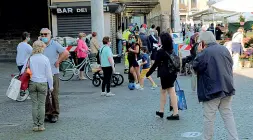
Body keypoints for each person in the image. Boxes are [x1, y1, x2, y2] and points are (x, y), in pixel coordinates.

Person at [193, 31, 239, 140]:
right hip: (227, 87)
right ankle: (234, 138)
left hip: (211, 90)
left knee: (209, 118)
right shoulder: (224, 49)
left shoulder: (205, 53)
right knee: (227, 115)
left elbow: (196, 67)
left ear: (203, 42)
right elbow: (230, 64)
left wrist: (199, 53)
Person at [21, 40, 53, 131]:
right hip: (42, 83)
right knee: (42, 105)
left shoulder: (30, 58)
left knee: (34, 105)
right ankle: (41, 125)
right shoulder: (45, 59)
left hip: (32, 83)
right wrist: (51, 86)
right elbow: (49, 74)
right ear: (42, 48)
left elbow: (22, 71)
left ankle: (35, 125)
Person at [146, 32, 179, 120]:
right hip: (172, 73)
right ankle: (161, 111)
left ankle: (175, 113)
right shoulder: (171, 49)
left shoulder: (161, 51)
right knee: (163, 91)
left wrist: (148, 73)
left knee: (170, 91)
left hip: (165, 74)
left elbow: (155, 64)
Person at [40, 28, 69, 123]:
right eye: (42, 34)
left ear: (50, 35)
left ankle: (55, 113)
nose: (43, 36)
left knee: (54, 94)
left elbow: (65, 53)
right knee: (45, 94)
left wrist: (58, 61)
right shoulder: (39, 44)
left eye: (45, 34)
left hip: (53, 73)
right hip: (42, 74)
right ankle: (47, 113)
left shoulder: (55, 44)